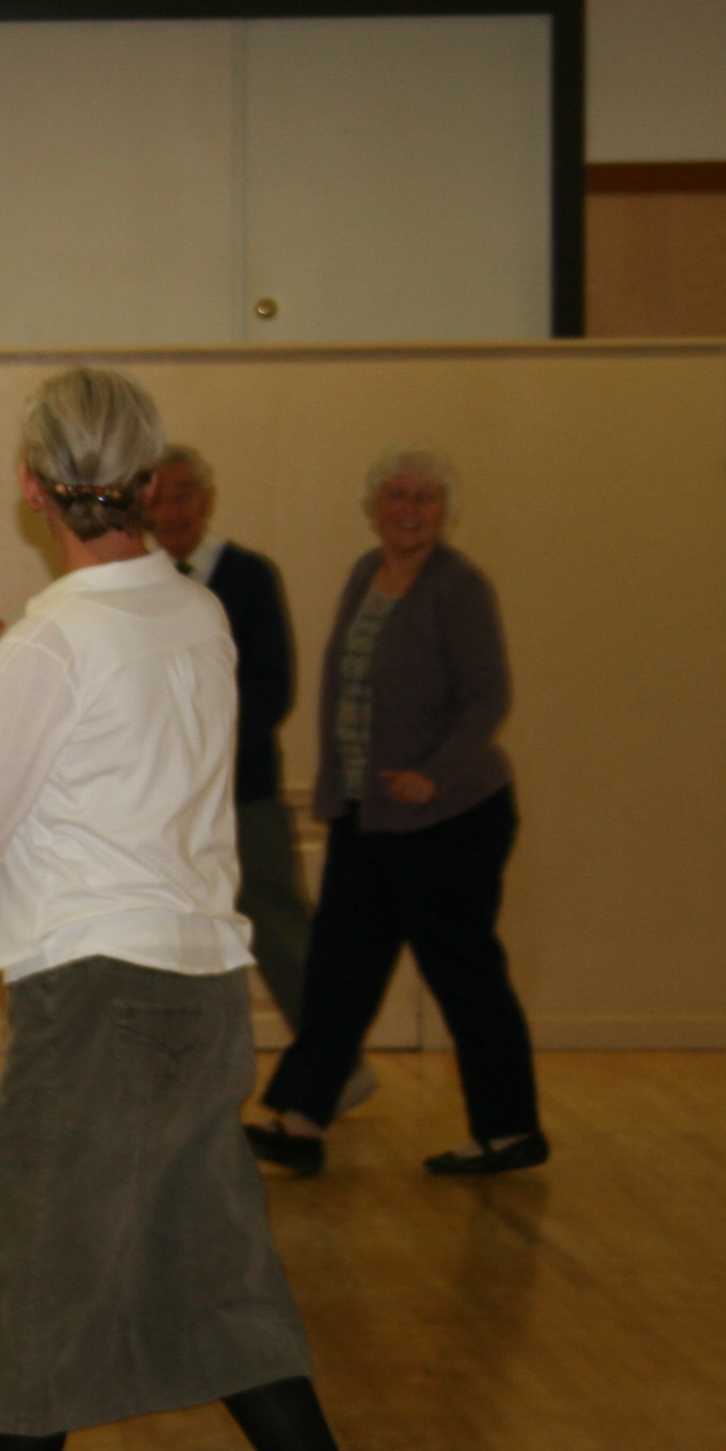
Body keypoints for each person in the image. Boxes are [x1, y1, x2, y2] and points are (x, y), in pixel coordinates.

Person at [0, 368, 408, 1451]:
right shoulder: (196, 611)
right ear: (147, 480)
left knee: (26, 1289)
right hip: (203, 992)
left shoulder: (49, 641)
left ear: (31, 486)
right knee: (219, 1289)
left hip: (96, 1001)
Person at [247, 448, 545, 1177]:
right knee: (339, 973)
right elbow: (346, 693)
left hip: (450, 821)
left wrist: (433, 776)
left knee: (464, 973)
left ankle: (510, 1131)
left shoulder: (459, 586)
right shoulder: (364, 573)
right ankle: (301, 1121)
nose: (410, 510)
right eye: (397, 496)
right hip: (369, 817)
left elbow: (488, 697)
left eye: (425, 498)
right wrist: (340, 791)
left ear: (445, 512)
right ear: (375, 506)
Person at [142, 446, 377, 1116]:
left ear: (208, 500)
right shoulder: (140, 582)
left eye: (185, 495)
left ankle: (337, 1067)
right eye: (159, 498)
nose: (173, 511)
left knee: (277, 925)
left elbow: (273, 689)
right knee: (172, 935)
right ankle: (180, 1078)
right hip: (163, 802)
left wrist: (200, 747)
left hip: (243, 792)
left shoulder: (249, 577)